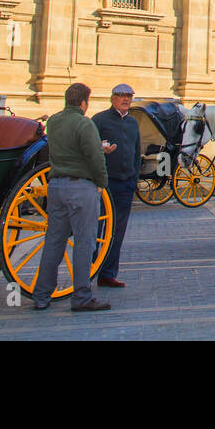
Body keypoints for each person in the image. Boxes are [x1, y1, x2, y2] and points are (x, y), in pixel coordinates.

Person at [31, 83, 112, 312]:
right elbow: (95, 157)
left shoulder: (54, 121)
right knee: (84, 243)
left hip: (56, 186)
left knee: (53, 242)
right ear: (84, 102)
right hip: (81, 188)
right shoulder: (84, 123)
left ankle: (41, 295)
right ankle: (82, 296)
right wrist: (101, 183)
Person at [92, 84, 141, 288]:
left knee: (117, 231)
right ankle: (91, 269)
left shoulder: (132, 123)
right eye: (121, 95)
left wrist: (134, 177)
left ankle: (108, 274)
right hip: (105, 184)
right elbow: (91, 147)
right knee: (97, 229)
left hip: (125, 183)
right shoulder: (99, 120)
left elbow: (137, 152)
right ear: (113, 98)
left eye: (129, 95)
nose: (125, 99)